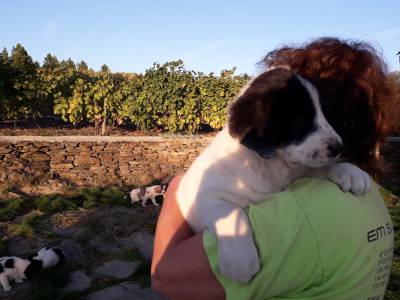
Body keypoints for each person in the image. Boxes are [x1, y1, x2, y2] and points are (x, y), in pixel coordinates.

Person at [151, 38, 397, 300]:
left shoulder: (300, 216)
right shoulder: (369, 196)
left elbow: (164, 276)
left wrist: (176, 191)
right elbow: (217, 197)